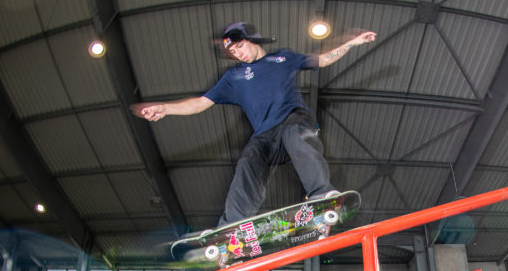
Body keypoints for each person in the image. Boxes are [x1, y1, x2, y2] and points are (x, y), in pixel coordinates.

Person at [135, 22, 377, 232]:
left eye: (240, 46)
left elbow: (323, 59)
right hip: (265, 135)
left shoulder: (283, 58)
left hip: (293, 119)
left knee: (297, 136)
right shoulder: (233, 77)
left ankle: (322, 195)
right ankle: (233, 226)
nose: (238, 54)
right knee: (248, 160)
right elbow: (200, 103)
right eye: (232, 52)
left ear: (252, 40)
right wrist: (166, 108)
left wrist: (352, 43)